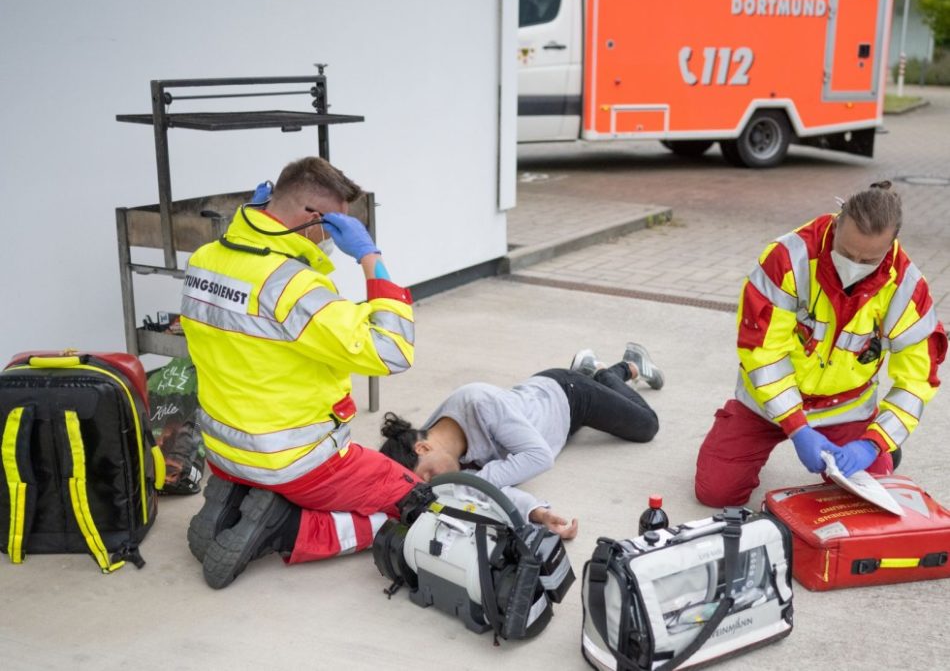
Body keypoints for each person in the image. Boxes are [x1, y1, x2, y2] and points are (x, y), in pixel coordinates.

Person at [180, 156, 418, 588]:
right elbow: (392, 350)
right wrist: (370, 258)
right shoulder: (294, 287)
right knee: (414, 503)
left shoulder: (204, 259)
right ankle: (285, 527)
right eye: (335, 224)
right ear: (312, 218)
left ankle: (240, 493)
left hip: (221, 448)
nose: (334, 237)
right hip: (295, 460)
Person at [694, 182, 946, 507]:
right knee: (717, 492)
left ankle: (880, 448)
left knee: (866, 502)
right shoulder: (787, 258)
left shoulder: (908, 289)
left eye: (869, 259)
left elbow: (917, 382)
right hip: (767, 402)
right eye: (847, 253)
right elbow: (762, 351)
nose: (855, 264)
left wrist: (873, 443)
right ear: (837, 223)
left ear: (891, 245)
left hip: (845, 409)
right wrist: (796, 426)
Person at [379, 343, 664, 539]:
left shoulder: (479, 403)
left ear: (423, 447)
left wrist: (476, 482)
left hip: (569, 395)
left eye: (429, 475)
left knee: (647, 426)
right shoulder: (440, 449)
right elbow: (485, 491)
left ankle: (614, 370)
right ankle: (591, 372)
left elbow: (539, 457)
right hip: (549, 419)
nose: (436, 484)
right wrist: (538, 513)